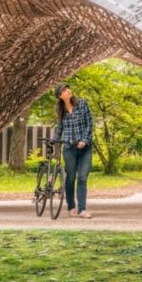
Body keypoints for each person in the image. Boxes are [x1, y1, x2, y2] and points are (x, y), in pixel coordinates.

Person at [53, 83, 94, 218]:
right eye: (64, 90)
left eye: (68, 88)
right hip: (69, 149)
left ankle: (82, 210)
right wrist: (55, 140)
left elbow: (90, 123)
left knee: (82, 177)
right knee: (71, 178)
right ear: (60, 96)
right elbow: (59, 129)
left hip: (85, 148)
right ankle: (71, 206)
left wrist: (84, 140)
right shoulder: (62, 111)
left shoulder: (82, 104)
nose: (68, 91)